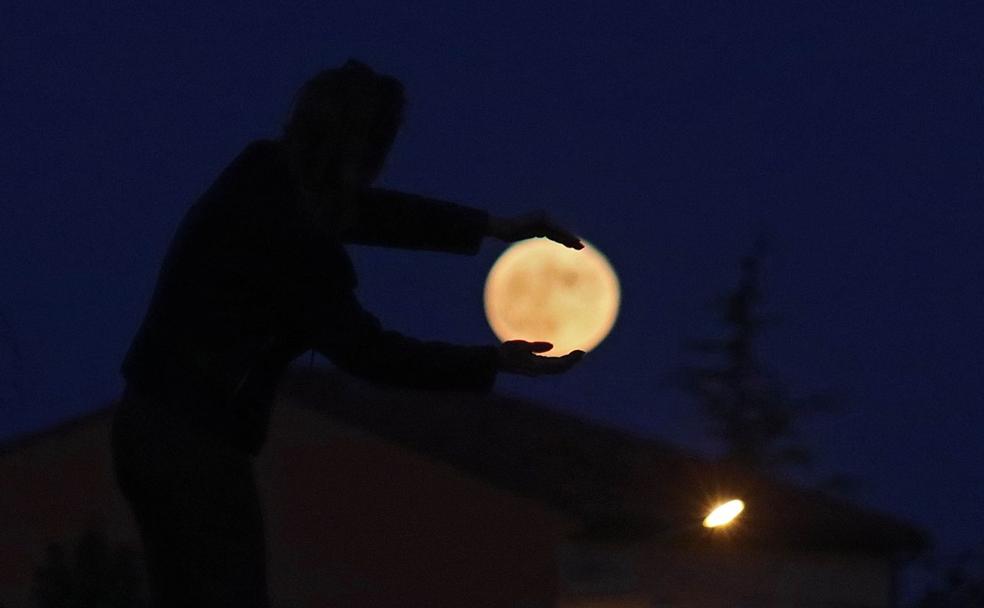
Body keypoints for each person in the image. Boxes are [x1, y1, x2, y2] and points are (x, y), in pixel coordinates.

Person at [110, 59, 585, 606]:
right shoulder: (295, 243)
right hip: (193, 446)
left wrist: (489, 227)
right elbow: (369, 352)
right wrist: (494, 362)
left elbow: (365, 214)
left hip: (145, 427)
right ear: (364, 150)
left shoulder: (259, 175)